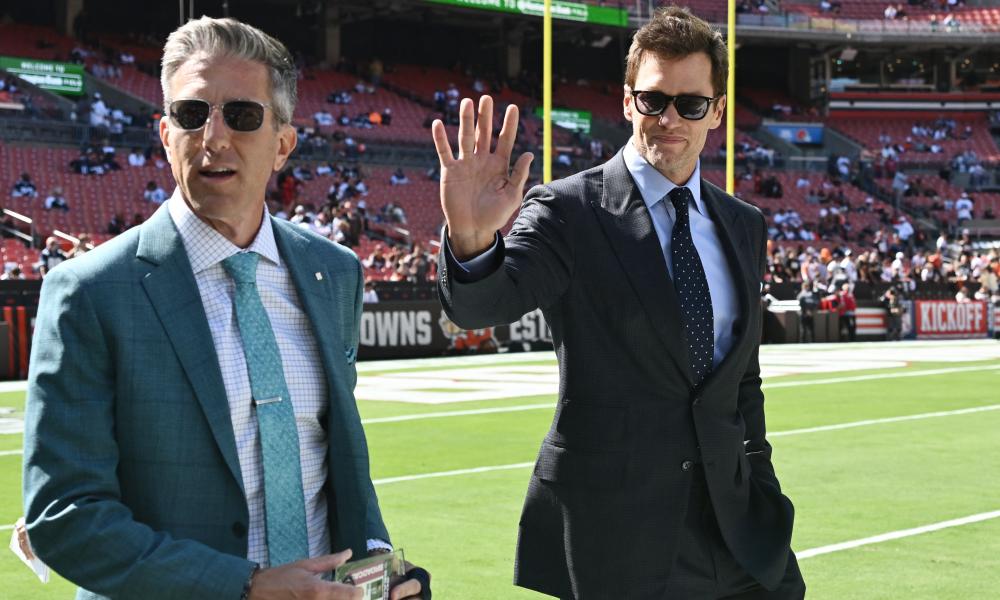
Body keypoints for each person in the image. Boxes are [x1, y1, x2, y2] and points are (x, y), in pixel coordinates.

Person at [23, 17, 426, 600]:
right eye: (192, 114)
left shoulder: (333, 271)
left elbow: (339, 467)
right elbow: (65, 516)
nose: (213, 136)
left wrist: (381, 570)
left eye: (241, 115)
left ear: (283, 144)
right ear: (166, 135)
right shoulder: (90, 291)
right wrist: (246, 587)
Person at [431, 7, 803, 598]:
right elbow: (481, 307)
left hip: (739, 526)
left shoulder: (743, 223)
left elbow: (742, 381)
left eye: (691, 103)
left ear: (718, 112)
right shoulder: (568, 209)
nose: (669, 118)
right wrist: (472, 240)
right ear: (628, 102)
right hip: (619, 534)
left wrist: (761, 478)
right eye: (653, 100)